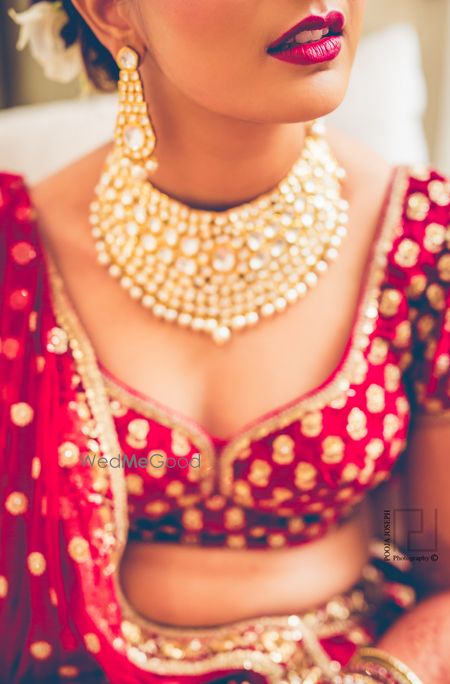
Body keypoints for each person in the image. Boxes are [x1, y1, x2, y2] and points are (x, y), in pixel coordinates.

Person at [1, 0, 450, 682]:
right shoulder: (16, 257)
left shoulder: (423, 242)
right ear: (110, 11)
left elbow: (432, 561)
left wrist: (389, 672)